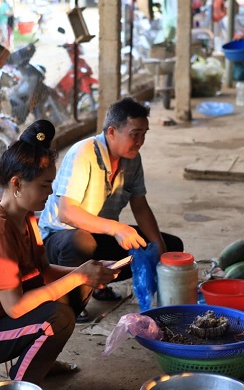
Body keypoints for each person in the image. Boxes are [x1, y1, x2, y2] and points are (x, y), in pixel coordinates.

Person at [0, 120, 120, 384]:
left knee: (77, 291)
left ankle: (39, 360)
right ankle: (20, 383)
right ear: (17, 184)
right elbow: (16, 307)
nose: (51, 191)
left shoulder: (25, 217)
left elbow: (43, 271)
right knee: (56, 317)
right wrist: (78, 276)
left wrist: (87, 272)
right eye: (45, 185)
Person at [38, 97, 184, 319]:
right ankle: (70, 302)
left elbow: (140, 206)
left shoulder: (132, 159)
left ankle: (98, 285)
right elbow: (67, 212)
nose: (140, 141)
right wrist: (116, 228)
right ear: (112, 132)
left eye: (144, 134)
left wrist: (159, 245)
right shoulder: (83, 153)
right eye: (135, 134)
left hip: (98, 234)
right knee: (81, 242)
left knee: (171, 246)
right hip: (58, 240)